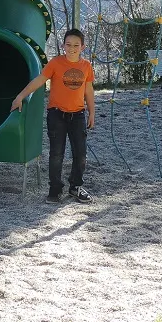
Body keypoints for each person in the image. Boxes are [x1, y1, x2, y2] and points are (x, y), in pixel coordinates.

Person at [11, 28, 95, 203]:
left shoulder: (86, 66)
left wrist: (91, 112)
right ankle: (55, 189)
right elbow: (39, 80)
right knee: (57, 153)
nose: (72, 48)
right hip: (57, 114)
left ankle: (75, 187)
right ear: (63, 45)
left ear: (82, 47)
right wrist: (20, 96)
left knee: (80, 153)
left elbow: (88, 90)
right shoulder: (56, 63)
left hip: (78, 115)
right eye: (68, 44)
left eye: (76, 45)